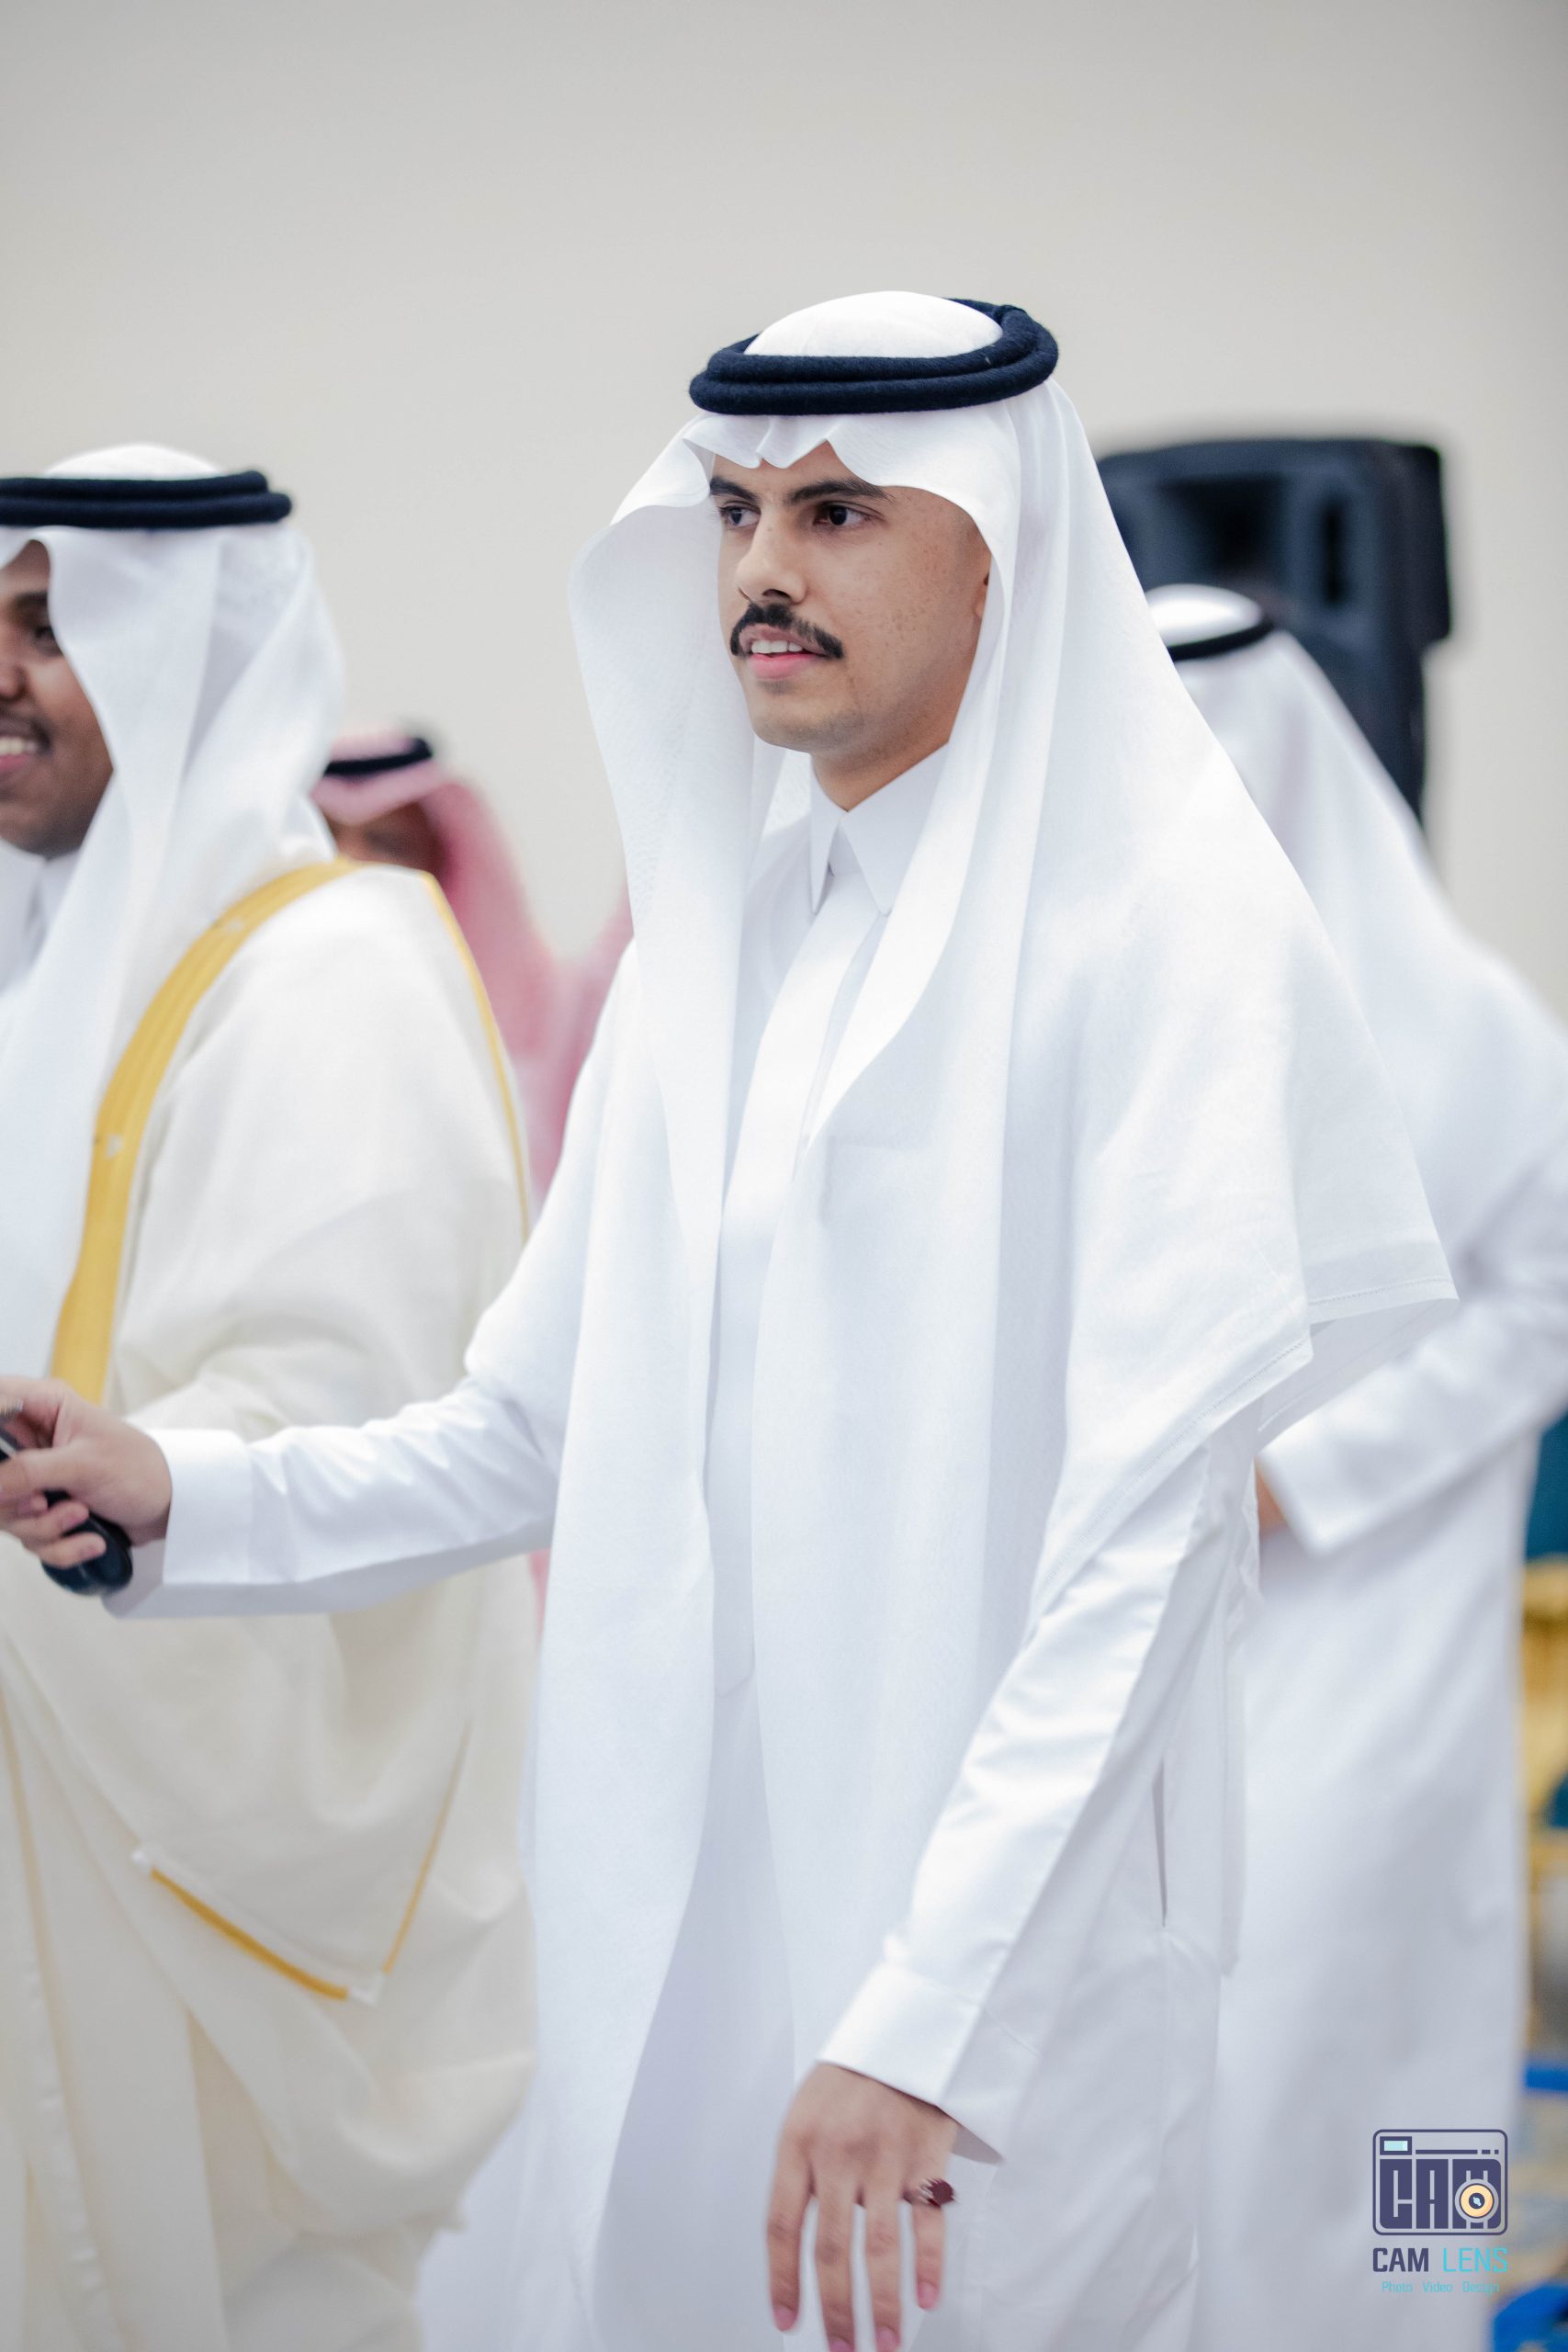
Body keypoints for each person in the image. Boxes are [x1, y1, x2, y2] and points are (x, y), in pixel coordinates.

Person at [0, 300, 1456, 2352]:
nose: (763, 568)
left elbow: (1138, 1558)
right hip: (670, 1942)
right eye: (733, 511)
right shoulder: (720, 940)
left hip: (987, 2004)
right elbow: (531, 1429)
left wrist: (924, 2022)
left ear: (1001, 553)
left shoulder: (1163, 937)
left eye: (839, 511)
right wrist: (183, 1498)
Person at [0, 449, 536, 2351]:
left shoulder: (338, 971)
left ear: (195, 652)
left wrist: (79, 1500)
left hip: (182, 1773)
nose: (1, 674)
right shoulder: (38, 954)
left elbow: (358, 1415)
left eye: (51, 625)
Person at [1150, 585, 1568, 2352]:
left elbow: (1549, 1302)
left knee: (1395, 2023)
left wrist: (1305, 1472)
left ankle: (1415, 2318)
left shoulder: (1465, 1023)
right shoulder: (1100, 1014)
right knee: (1196, 2069)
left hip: (1379, 1619)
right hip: (1150, 1629)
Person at [315, 730, 630, 1195]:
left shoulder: (540, 1023)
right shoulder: (252, 1008)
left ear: (438, 859)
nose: (350, 864)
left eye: (387, 844)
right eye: (324, 840)